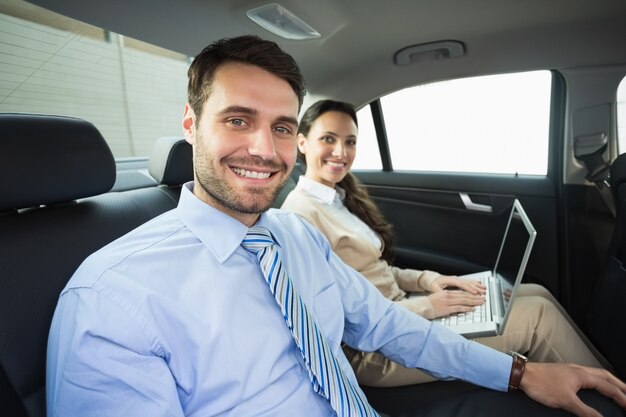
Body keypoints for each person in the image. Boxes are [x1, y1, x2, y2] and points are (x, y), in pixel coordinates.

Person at [45, 35, 626, 417]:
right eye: (237, 120)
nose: (262, 148)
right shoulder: (112, 298)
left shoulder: (294, 240)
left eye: (278, 127)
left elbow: (393, 331)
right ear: (191, 126)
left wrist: (520, 374)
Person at [281, 100, 611, 388]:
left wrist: (430, 281)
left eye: (349, 141)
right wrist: (430, 306)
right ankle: (612, 396)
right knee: (537, 317)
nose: (341, 152)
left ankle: (612, 382)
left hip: (403, 311)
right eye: (328, 139)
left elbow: (376, 271)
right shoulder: (300, 215)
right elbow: (337, 318)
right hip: (376, 348)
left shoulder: (337, 199)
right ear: (302, 142)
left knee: (536, 293)